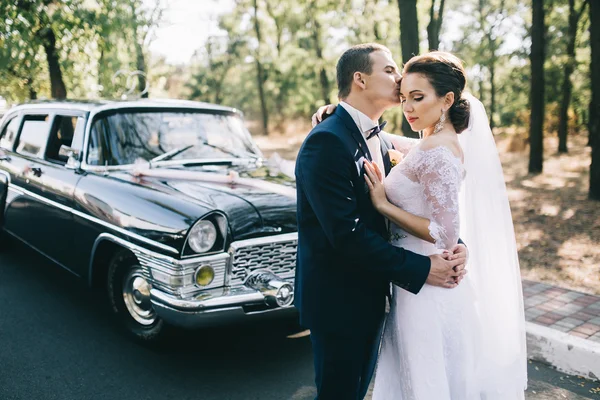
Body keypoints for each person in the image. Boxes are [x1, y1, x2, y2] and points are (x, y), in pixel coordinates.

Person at [316, 51, 527, 398]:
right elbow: (386, 142)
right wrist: (333, 113)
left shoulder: (439, 151)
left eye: (418, 98)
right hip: (413, 279)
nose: (408, 108)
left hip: (427, 286)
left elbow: (445, 232)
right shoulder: (429, 144)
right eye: (404, 99)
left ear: (446, 100)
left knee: (425, 379)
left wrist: (384, 205)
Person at [294, 43, 469, 400]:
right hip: (340, 301)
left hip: (378, 295)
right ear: (359, 79)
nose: (399, 76)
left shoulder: (380, 137)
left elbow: (427, 200)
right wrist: (423, 268)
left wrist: (456, 245)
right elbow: (347, 235)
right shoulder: (327, 142)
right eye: (389, 70)